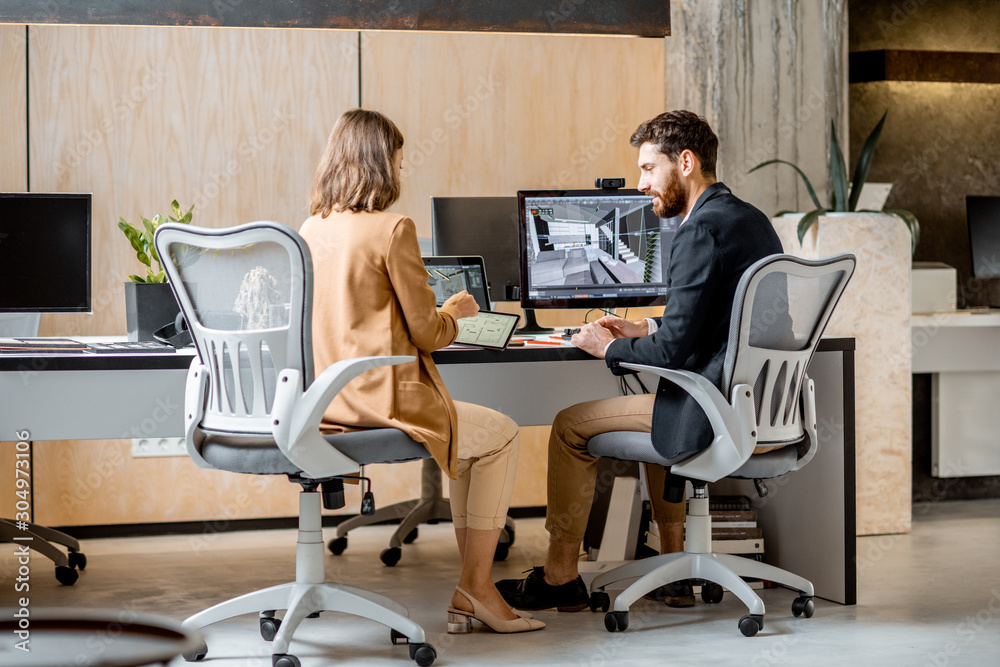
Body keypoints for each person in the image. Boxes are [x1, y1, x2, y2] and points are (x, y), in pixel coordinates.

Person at [497, 110, 784, 612]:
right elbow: (712, 322)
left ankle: (561, 577)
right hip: (759, 406)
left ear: (686, 163)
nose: (640, 183)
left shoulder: (698, 232)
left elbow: (673, 353)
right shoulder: (750, 220)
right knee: (657, 400)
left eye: (649, 168)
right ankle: (674, 570)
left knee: (567, 426)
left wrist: (605, 346)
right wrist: (643, 327)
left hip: (709, 408)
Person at [300, 108, 544, 635]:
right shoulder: (394, 228)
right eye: (398, 161)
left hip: (326, 404)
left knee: (475, 441)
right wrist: (456, 311)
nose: (401, 171)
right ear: (381, 164)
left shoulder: (311, 228)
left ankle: (471, 590)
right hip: (383, 403)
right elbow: (429, 334)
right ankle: (476, 589)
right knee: (500, 436)